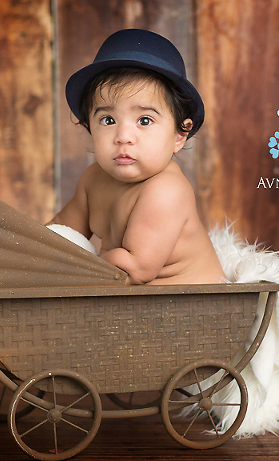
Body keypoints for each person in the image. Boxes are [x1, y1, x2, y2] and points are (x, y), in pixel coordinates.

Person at [48, 28, 225, 285]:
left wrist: (74, 269)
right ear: (89, 127)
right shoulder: (93, 179)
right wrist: (28, 251)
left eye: (144, 120)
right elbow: (60, 231)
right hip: (134, 308)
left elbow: (136, 270)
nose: (123, 136)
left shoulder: (165, 191)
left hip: (193, 309)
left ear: (179, 135)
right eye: (108, 120)